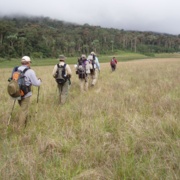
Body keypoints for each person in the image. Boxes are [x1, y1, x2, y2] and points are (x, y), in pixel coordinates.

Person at [15, 56, 42, 130]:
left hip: (17, 93)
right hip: (26, 94)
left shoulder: (16, 70)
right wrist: (40, 81)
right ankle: (20, 128)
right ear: (28, 63)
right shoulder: (30, 71)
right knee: (24, 110)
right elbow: (36, 83)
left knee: (23, 108)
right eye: (30, 62)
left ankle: (25, 124)